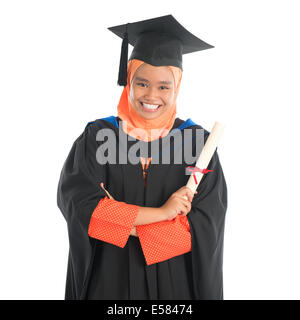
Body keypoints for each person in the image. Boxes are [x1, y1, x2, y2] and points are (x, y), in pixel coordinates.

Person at [57, 14, 227, 300]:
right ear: (129, 81)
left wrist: (123, 223)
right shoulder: (98, 137)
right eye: (142, 83)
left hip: (175, 288)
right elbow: (81, 208)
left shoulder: (198, 143)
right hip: (109, 283)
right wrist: (162, 215)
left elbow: (203, 224)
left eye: (164, 86)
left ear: (177, 87)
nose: (151, 95)